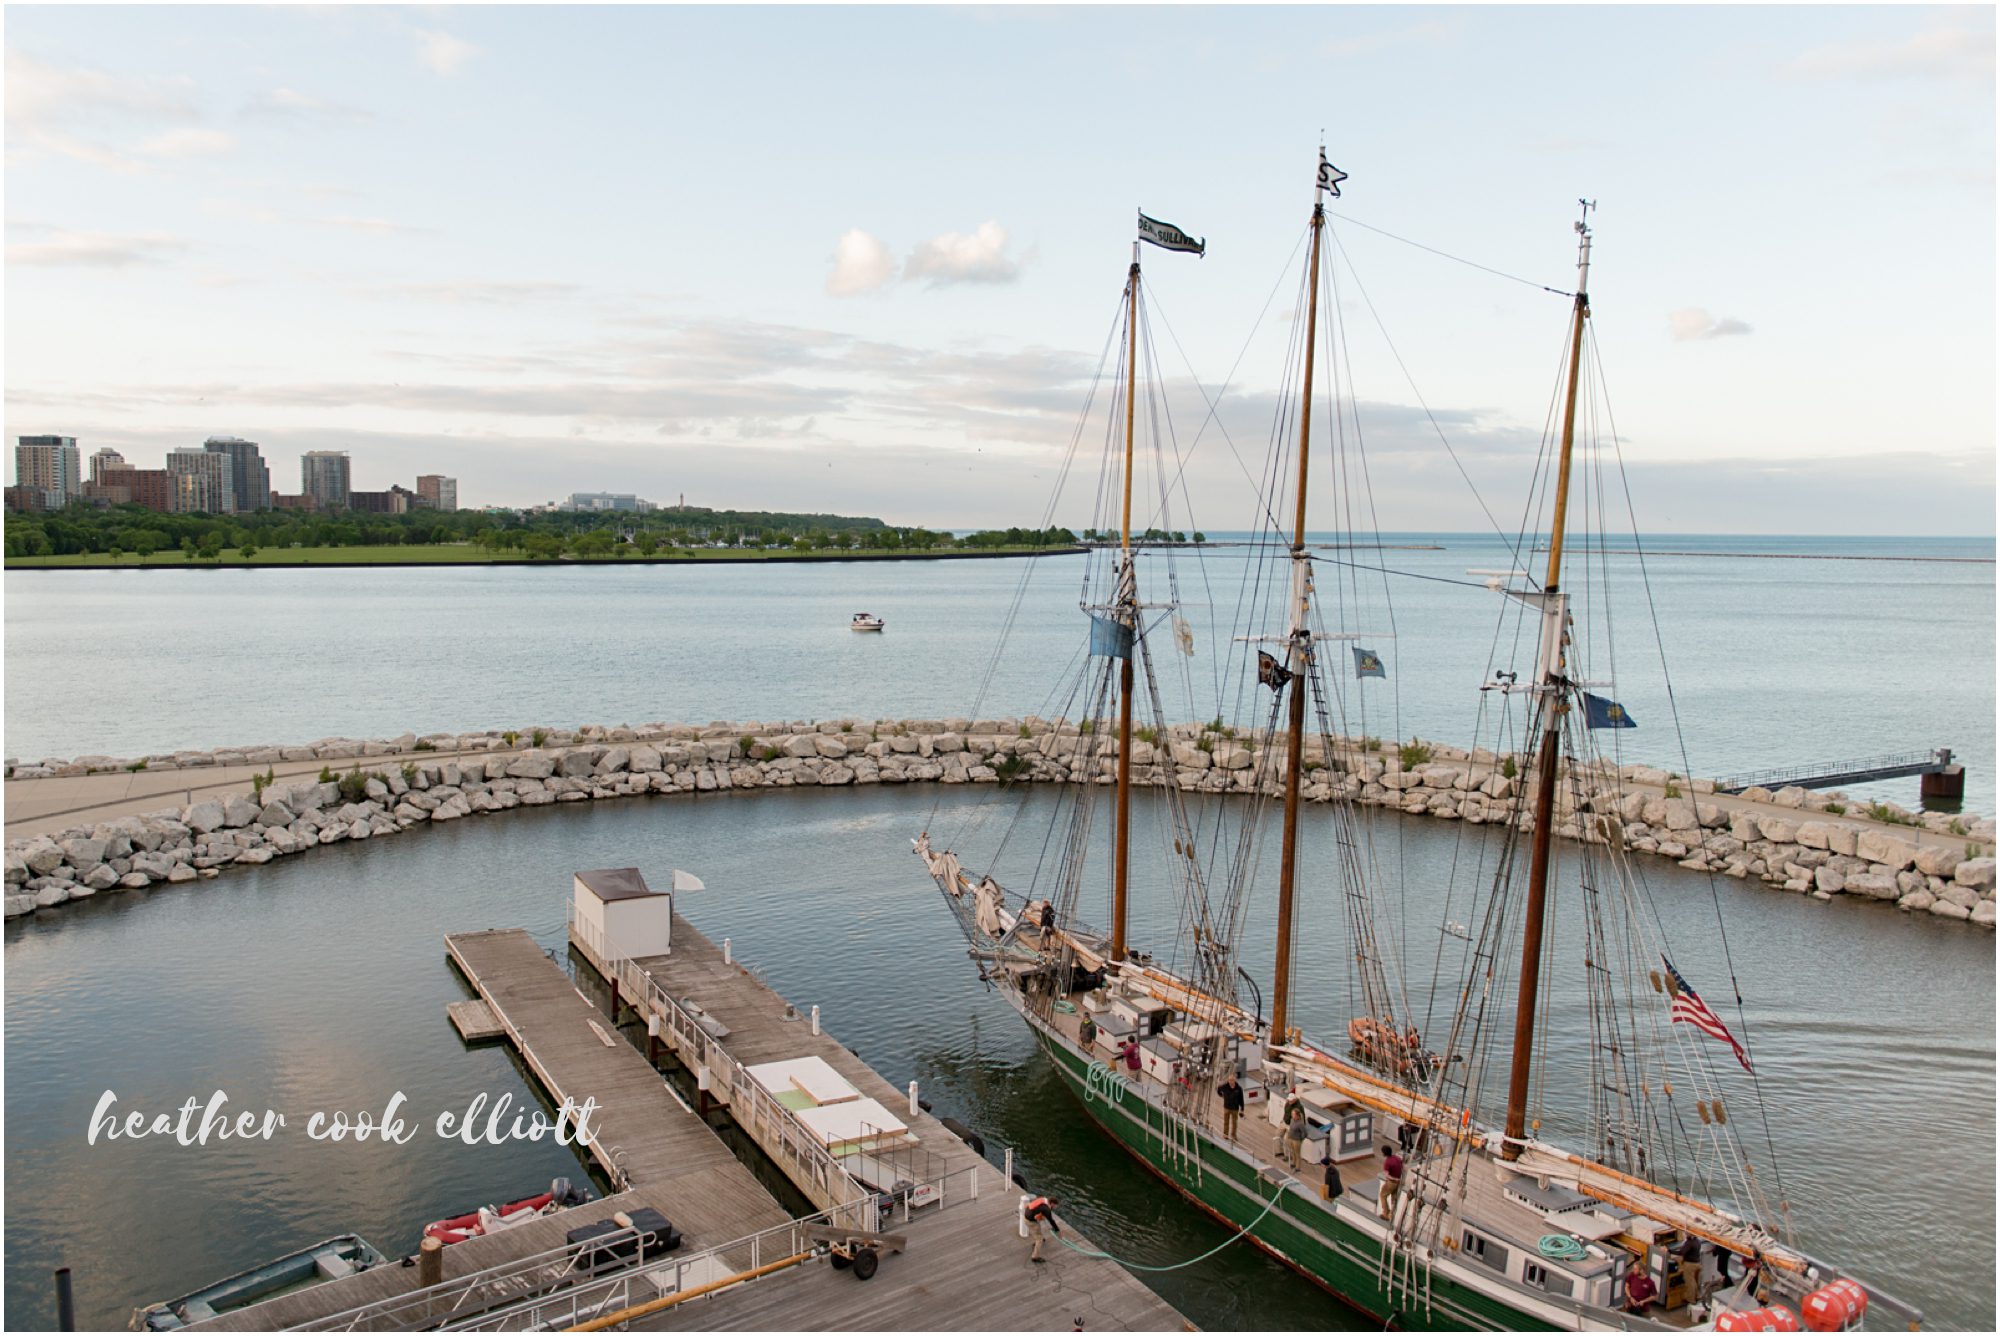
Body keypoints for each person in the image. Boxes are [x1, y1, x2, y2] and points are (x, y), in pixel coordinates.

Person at [1024, 1195, 1059, 1264]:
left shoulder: (1043, 1199)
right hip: (1031, 1221)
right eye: (1055, 1205)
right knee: (1039, 1239)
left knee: (1037, 1230)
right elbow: (1051, 1221)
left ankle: (1040, 1238)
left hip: (1026, 1217)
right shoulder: (1046, 1209)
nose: (1055, 1207)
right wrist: (1057, 1230)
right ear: (1052, 1203)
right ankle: (1035, 1257)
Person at [1379, 1145, 1404, 1220]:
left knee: (1383, 1195)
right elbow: (1402, 1165)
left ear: (1384, 1153)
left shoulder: (1387, 1162)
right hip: (1399, 1182)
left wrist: (1394, 1179)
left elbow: (1387, 1175)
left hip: (1392, 1182)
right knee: (1394, 1199)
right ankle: (1391, 1214)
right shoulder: (1397, 1158)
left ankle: (1385, 1213)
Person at [1217, 1072, 1245, 1139]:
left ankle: (1233, 1135)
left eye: (1232, 1080)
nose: (1230, 1081)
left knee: (1234, 1123)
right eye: (1229, 1080)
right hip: (1226, 1107)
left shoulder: (1239, 1088)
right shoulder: (1225, 1087)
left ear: (1235, 1080)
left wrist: (1242, 1109)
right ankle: (1225, 1135)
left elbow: (1241, 1099)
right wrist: (1221, 1095)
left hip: (1235, 1109)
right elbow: (1218, 1090)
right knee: (1226, 1122)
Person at [1282, 1104, 1308, 1170]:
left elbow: (1304, 1133)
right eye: (1292, 1114)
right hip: (1291, 1138)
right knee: (1292, 1151)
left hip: (1296, 1140)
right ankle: (1294, 1163)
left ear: (1297, 1115)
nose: (1292, 1115)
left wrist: (1300, 1139)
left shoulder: (1300, 1123)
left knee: (1297, 1153)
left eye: (1293, 1114)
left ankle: (1298, 1167)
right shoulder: (1292, 1120)